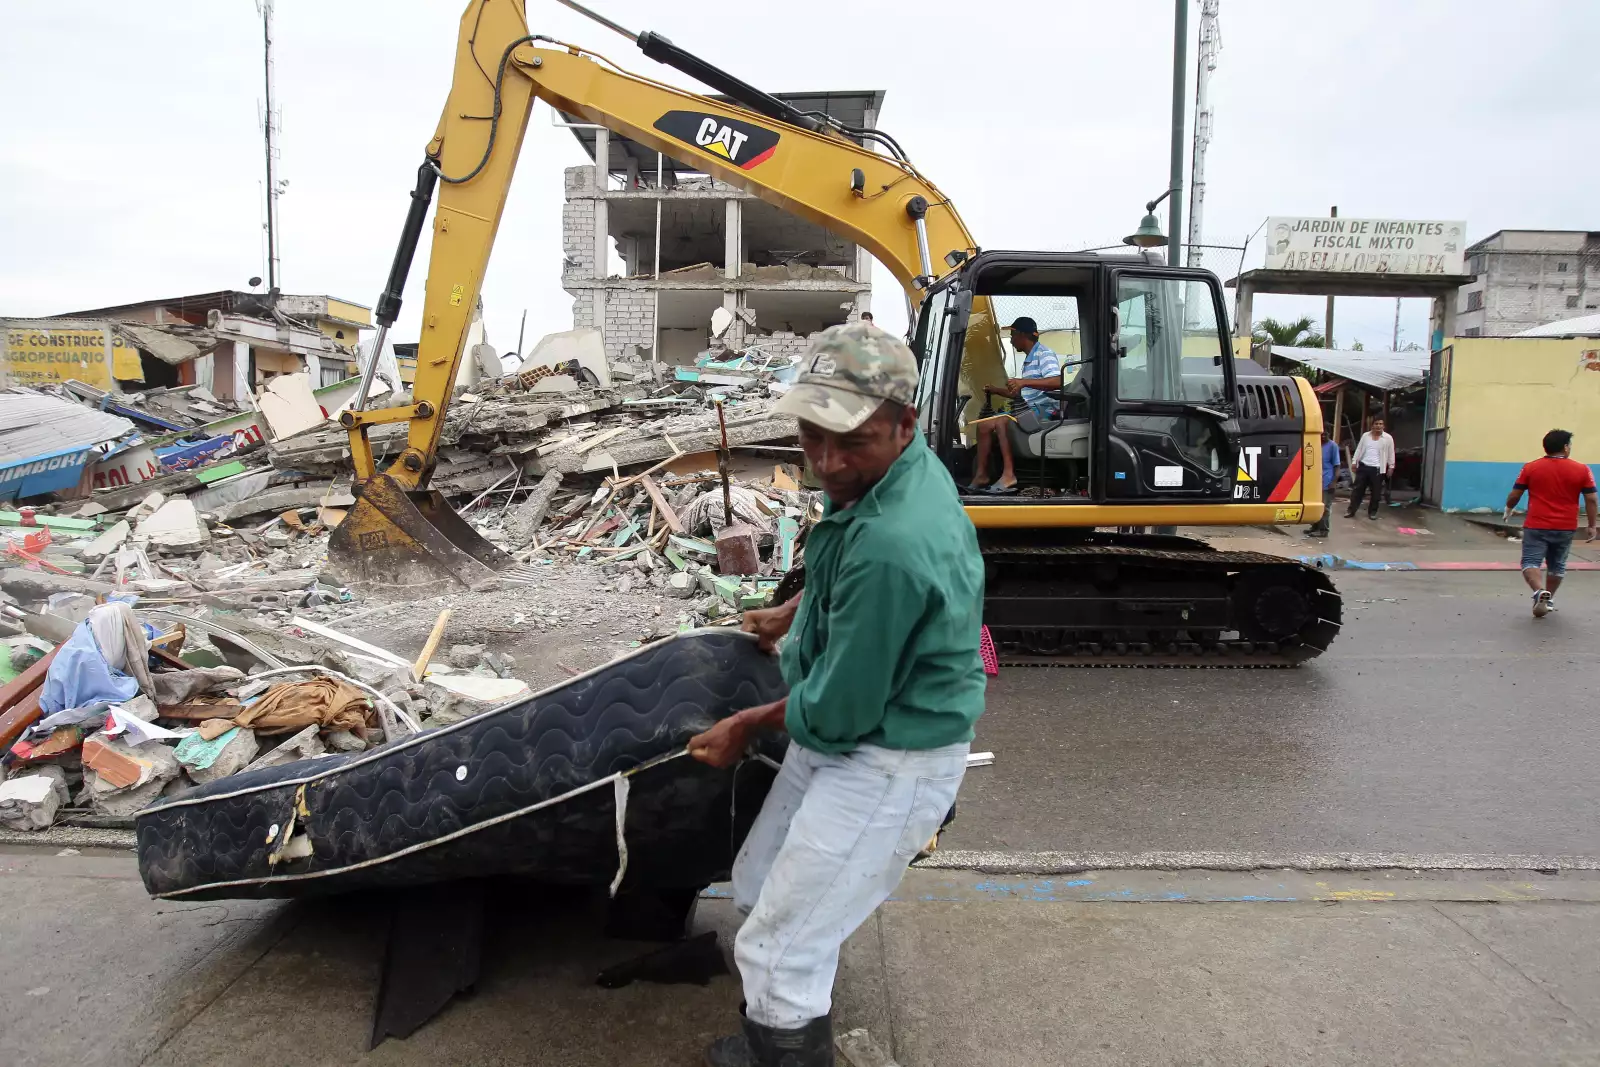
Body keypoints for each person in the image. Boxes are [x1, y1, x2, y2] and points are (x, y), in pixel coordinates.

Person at [689, 322, 986, 1067]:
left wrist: (748, 725)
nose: (826, 461)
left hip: (888, 756)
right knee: (760, 891)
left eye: (849, 441)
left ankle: (790, 1046)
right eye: (812, 435)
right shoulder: (901, 473)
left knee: (781, 946)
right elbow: (848, 551)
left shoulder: (895, 544)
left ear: (903, 423)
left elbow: (839, 708)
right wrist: (798, 609)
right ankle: (778, 1031)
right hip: (851, 735)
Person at [1504, 428, 1597, 618]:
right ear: (1565, 447)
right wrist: (1592, 525)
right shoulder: (1582, 469)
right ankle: (1549, 597)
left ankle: (1539, 592)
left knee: (1530, 562)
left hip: (1536, 525)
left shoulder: (1530, 467)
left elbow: (1515, 494)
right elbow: (1592, 499)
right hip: (1565, 527)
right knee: (1557, 566)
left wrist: (1508, 509)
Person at [968, 316, 1062, 494]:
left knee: (1003, 421)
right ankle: (982, 474)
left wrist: (1023, 382)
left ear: (1021, 335)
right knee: (984, 424)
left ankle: (1009, 474)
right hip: (1029, 408)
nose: (1011, 340)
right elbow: (1021, 392)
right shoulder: (1029, 359)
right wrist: (996, 390)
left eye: (1012, 335)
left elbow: (1059, 380)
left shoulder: (1044, 354)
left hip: (1045, 411)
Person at [1345, 417, 1395, 520]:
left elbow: (1391, 453)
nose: (1378, 426)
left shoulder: (1388, 438)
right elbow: (1359, 449)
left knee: (1376, 493)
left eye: (1381, 424)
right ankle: (1351, 510)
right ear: (1372, 425)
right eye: (1376, 424)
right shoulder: (1365, 436)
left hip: (1378, 468)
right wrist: (1354, 462)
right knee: (1357, 491)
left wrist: (1391, 466)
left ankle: (1372, 512)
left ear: (1383, 426)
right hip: (1364, 466)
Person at [1308, 428, 1341, 537]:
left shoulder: (1333, 446)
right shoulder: (1315, 444)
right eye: (1321, 434)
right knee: (1315, 506)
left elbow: (1337, 466)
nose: (1322, 437)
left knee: (1325, 507)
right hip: (1315, 480)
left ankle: (1324, 530)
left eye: (1325, 434)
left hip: (1327, 480)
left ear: (1329, 434)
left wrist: (1334, 482)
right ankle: (1315, 527)